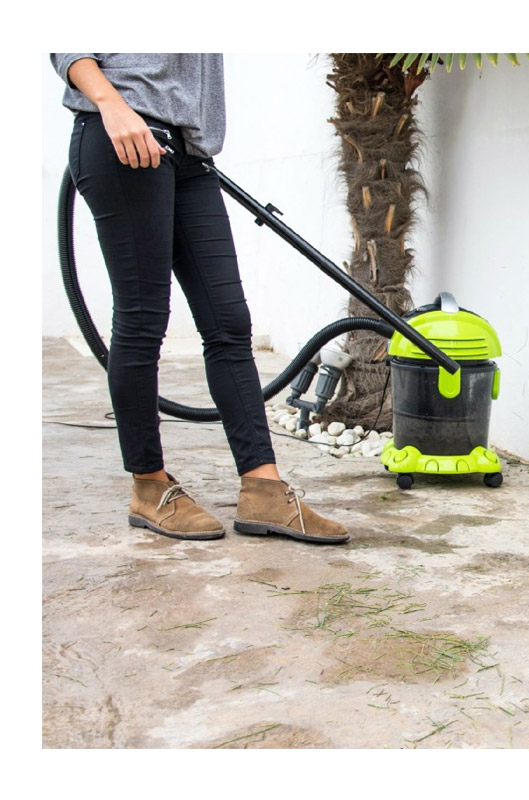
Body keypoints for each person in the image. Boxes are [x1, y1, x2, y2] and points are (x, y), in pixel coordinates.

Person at [50, 53, 349, 545]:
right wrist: (111, 105)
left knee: (229, 323)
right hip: (124, 133)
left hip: (190, 154)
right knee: (143, 318)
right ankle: (149, 487)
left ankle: (264, 489)